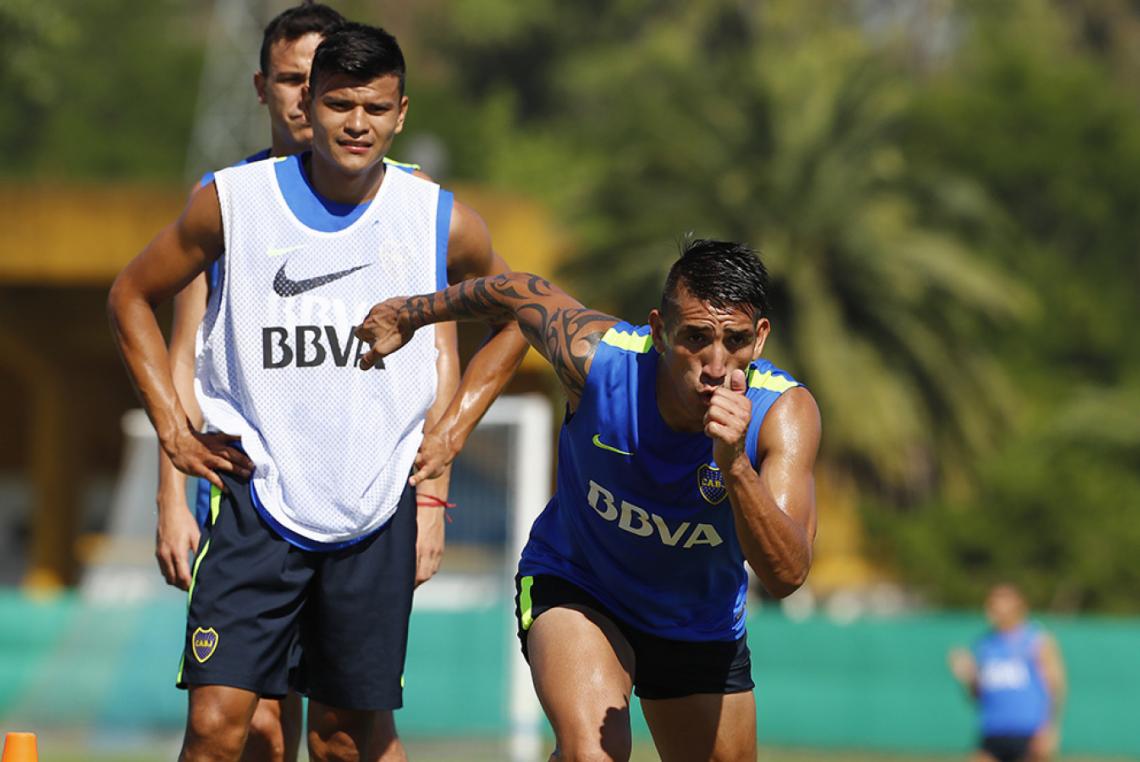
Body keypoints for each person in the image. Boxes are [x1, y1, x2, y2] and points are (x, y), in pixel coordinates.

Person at [109, 22, 526, 762]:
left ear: (402, 113)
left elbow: (524, 310)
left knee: (340, 741)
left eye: (374, 107)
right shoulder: (232, 202)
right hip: (252, 502)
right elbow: (131, 296)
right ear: (307, 102)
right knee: (219, 727)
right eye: (337, 103)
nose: (355, 123)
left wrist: (453, 434)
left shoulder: (434, 217)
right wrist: (173, 435)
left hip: (371, 513)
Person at [356, 239, 822, 761]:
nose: (715, 365)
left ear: (759, 339)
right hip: (579, 585)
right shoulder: (597, 359)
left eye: (734, 341)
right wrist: (411, 314)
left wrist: (735, 466)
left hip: (698, 621)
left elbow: (786, 575)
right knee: (593, 754)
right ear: (660, 330)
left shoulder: (782, 413)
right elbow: (516, 291)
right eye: (695, 338)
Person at [949, 584, 1067, 762]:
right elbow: (978, 696)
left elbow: (1055, 685)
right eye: (991, 605)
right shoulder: (984, 644)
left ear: (1018, 607)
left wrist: (1050, 728)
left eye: (1000, 605)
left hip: (1028, 731)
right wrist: (969, 676)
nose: (993, 610)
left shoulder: (1036, 640)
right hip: (993, 730)